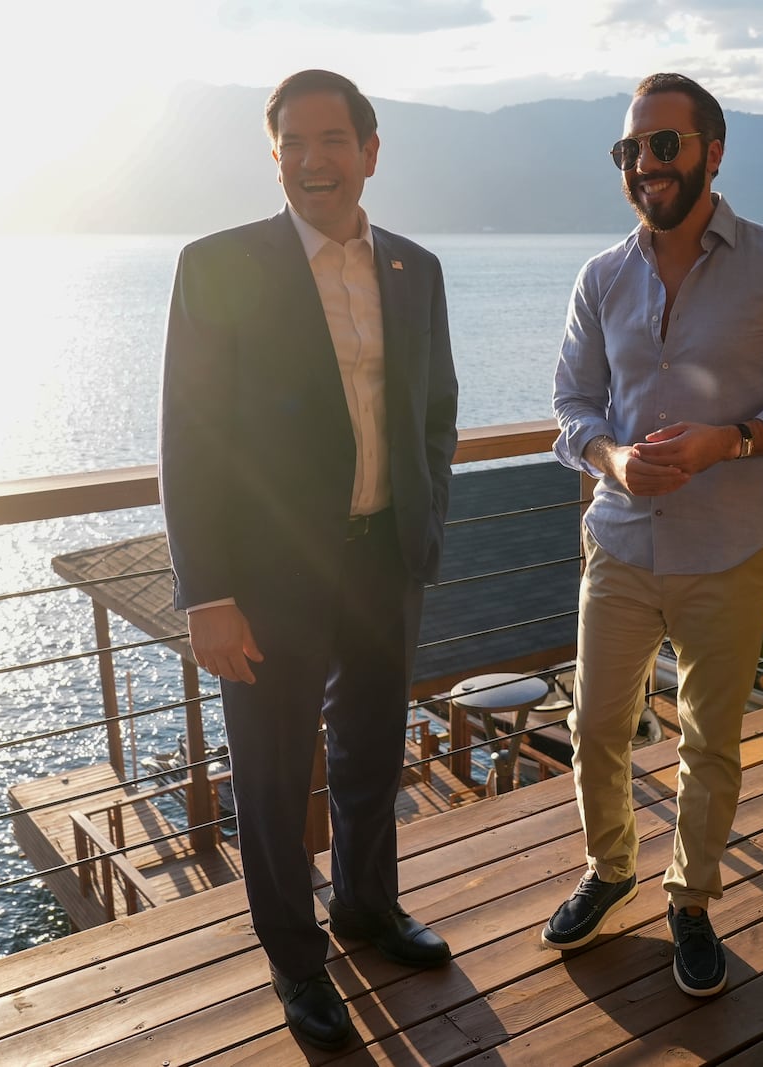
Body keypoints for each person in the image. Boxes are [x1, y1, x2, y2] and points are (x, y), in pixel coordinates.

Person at [158, 68, 459, 1051]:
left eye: (333, 140)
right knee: (273, 773)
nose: (313, 160)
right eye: (293, 141)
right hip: (269, 576)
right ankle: (294, 955)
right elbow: (189, 439)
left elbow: (435, 414)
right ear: (275, 153)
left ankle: (369, 908)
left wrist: (425, 525)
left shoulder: (415, 268)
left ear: (370, 152)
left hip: (382, 560)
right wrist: (206, 591)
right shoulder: (218, 265)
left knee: (372, 750)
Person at [543, 73, 763, 997]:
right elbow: (571, 407)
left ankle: (693, 899)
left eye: (663, 145)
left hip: (729, 548)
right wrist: (612, 459)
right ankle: (610, 867)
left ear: (713, 152)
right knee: (597, 721)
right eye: (630, 150)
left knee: (711, 740)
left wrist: (738, 439)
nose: (645, 164)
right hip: (622, 540)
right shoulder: (599, 277)